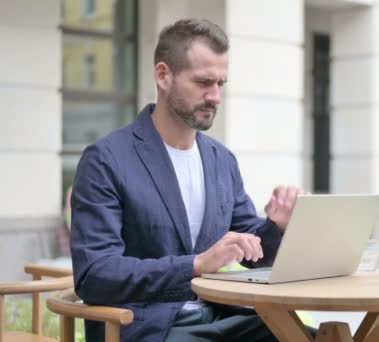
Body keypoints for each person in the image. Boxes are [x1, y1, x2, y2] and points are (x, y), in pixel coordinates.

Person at [70, 18, 305, 342]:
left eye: (221, 83)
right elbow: (96, 274)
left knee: (316, 337)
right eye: (204, 82)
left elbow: (250, 247)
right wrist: (194, 265)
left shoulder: (221, 160)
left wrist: (276, 226)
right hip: (145, 327)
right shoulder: (106, 160)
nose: (216, 96)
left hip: (221, 316)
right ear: (163, 75)